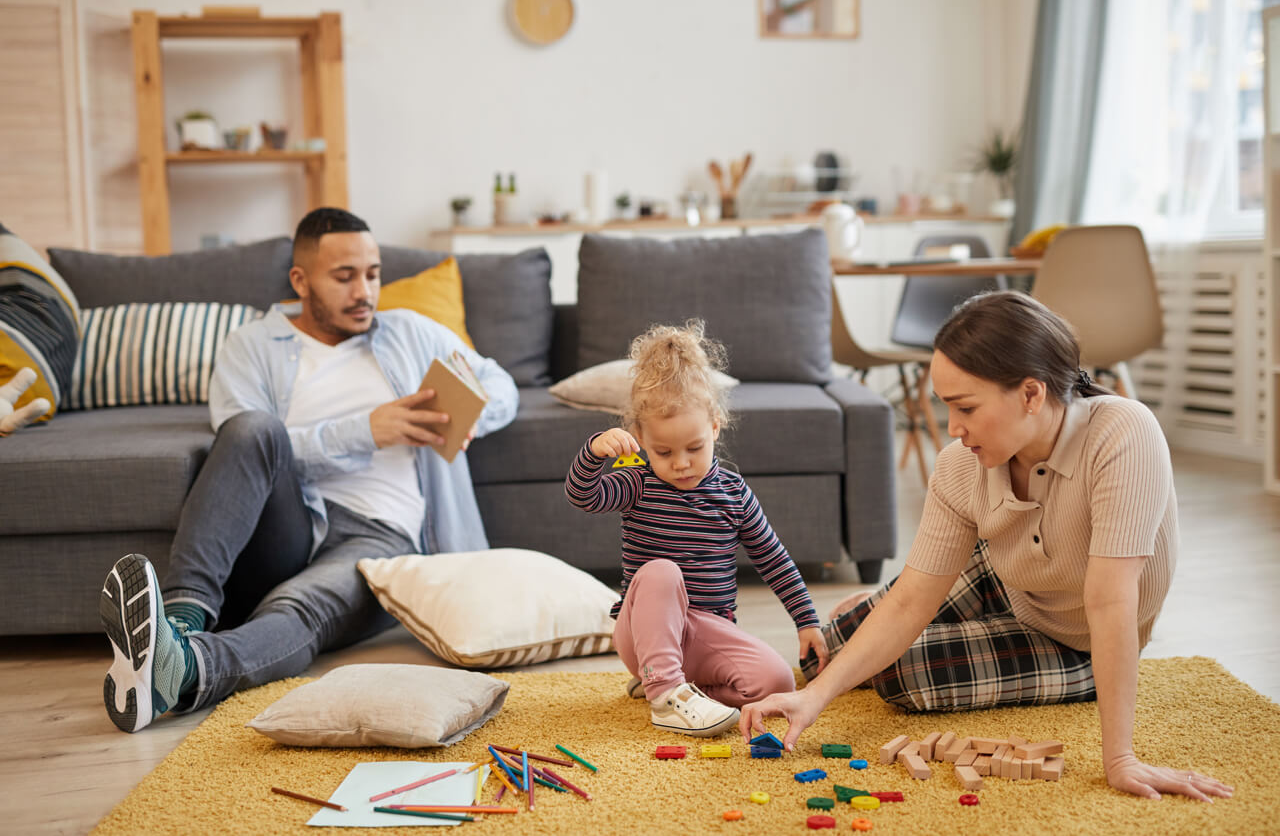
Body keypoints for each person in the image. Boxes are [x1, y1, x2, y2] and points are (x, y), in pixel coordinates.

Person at [739, 291, 1232, 802]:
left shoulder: (1123, 434)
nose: (953, 428)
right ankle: (860, 616)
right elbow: (912, 600)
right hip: (1011, 576)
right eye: (945, 407)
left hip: (1079, 636)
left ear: (1031, 395)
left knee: (902, 673)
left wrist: (1120, 758)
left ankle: (1081, 677)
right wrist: (812, 697)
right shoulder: (960, 464)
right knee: (832, 644)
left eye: (965, 407)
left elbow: (1109, 601)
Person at [100, 207, 518, 732]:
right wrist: (366, 430)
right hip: (289, 524)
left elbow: (500, 382)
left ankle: (180, 667)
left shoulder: (411, 333)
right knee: (254, 427)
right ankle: (181, 620)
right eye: (344, 277)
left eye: (373, 273)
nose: (364, 291)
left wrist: (477, 408)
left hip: (381, 535)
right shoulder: (250, 347)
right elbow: (240, 452)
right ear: (301, 280)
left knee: (297, 607)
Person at [565, 320, 828, 737]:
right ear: (640, 439)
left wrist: (807, 621)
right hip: (643, 632)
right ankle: (666, 693)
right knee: (661, 572)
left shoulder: (733, 492)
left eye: (694, 448)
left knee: (777, 682)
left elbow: (773, 558)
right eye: (664, 451)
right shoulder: (638, 479)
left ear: (715, 428)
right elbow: (585, 496)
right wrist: (595, 453)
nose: (681, 463)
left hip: (708, 633)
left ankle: (673, 686)